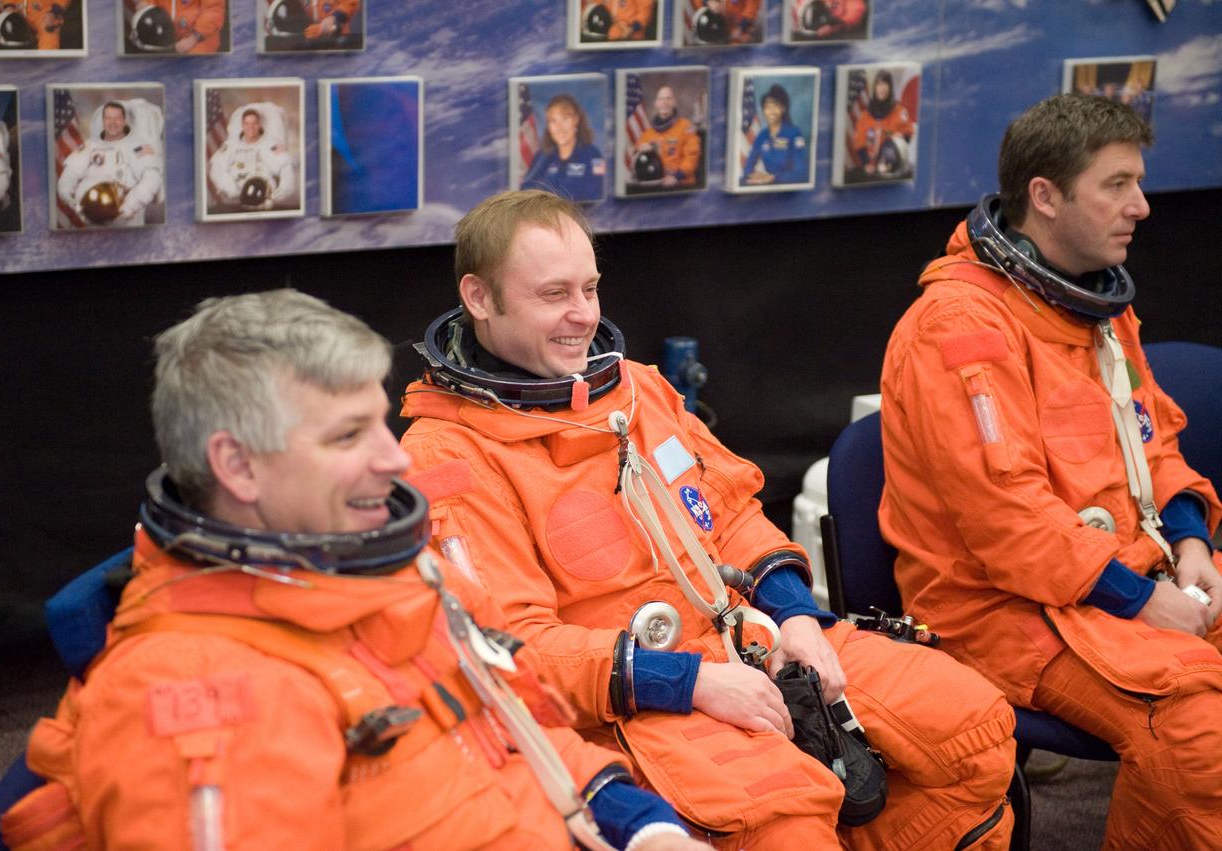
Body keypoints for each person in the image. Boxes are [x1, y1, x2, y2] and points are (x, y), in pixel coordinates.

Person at [400, 190, 1018, 850]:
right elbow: (510, 646)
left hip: (747, 635)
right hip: (628, 698)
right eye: (555, 294)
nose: (582, 315)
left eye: (590, 288)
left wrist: (798, 617)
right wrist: (689, 682)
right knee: (786, 825)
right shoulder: (447, 457)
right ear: (480, 297)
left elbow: (731, 513)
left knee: (973, 732)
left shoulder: (640, 390)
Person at [0, 289, 710, 851]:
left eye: (379, 421)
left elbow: (521, 717)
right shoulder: (199, 693)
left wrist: (645, 825)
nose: (396, 458)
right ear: (237, 465)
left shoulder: (400, 576)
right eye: (347, 435)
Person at [879, 93, 1222, 848]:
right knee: (1197, 724)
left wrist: (1192, 542)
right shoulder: (959, 329)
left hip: (1126, 576)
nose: (1142, 205)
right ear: (1044, 195)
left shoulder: (1096, 306)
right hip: (999, 608)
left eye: (1139, 181)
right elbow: (1008, 524)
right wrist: (1141, 599)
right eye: (1117, 183)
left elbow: (1153, 443)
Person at [56, 100, 163, 228]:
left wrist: (130, 206)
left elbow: (152, 178)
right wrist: (67, 195)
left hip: (126, 220)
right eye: (108, 118)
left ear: (124, 121)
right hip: (90, 219)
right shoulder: (90, 146)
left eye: (117, 118)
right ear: (103, 121)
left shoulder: (138, 146)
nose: (112, 123)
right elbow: (70, 173)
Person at [208, 105, 298, 211]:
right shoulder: (230, 146)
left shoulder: (269, 145)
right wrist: (232, 190)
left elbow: (286, 166)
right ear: (242, 125)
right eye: (247, 123)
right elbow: (216, 168)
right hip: (237, 198)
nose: (250, 127)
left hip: (264, 198)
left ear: (259, 125)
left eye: (254, 123)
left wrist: (284, 189)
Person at [521, 94, 605, 203]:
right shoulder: (542, 156)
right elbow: (526, 190)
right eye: (553, 121)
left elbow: (595, 195)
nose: (559, 127)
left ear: (576, 119)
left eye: (565, 118)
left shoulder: (593, 155)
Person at [850, 69, 914, 179]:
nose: (882, 88)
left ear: (890, 87)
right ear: (875, 88)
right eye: (879, 84)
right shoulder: (865, 116)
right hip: (870, 167)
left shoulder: (899, 111)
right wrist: (866, 163)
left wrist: (902, 137)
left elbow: (908, 133)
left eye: (885, 84)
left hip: (892, 167)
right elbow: (859, 142)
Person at [741, 85, 809, 186]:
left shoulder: (794, 134)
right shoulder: (762, 135)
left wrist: (774, 178)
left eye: (775, 106)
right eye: (767, 107)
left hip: (787, 190)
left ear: (783, 109)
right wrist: (755, 176)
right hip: (767, 188)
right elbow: (748, 167)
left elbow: (801, 174)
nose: (771, 111)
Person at [634, 87, 701, 189]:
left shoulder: (685, 127)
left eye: (668, 98)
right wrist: (641, 151)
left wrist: (677, 176)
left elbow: (692, 156)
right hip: (657, 184)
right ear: (656, 103)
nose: (664, 102)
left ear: (674, 102)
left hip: (681, 185)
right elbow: (637, 156)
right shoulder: (648, 134)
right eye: (661, 99)